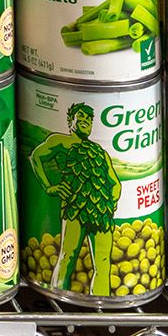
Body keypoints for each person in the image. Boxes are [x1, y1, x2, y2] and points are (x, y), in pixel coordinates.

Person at [28, 101, 121, 295]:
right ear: (71, 121)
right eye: (82, 117)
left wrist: (111, 202)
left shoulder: (100, 152)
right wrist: (49, 187)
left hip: (101, 211)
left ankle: (100, 305)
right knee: (68, 255)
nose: (86, 121)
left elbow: (115, 182)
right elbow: (36, 157)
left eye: (89, 118)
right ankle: (57, 296)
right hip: (74, 207)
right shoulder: (61, 141)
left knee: (103, 262)